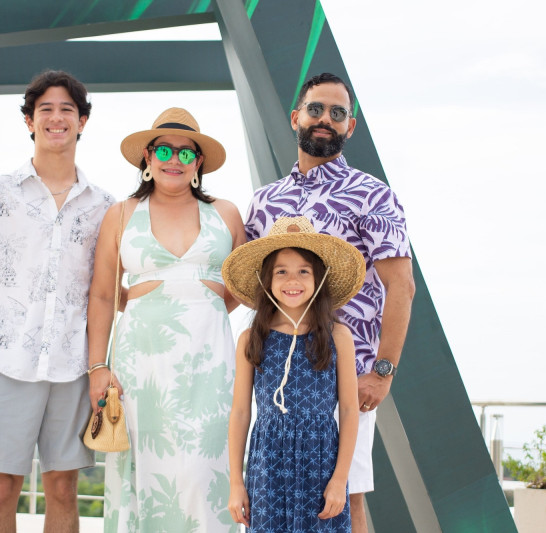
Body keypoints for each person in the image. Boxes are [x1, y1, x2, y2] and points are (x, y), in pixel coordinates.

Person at [244, 73, 416, 533]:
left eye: (337, 113)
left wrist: (382, 372)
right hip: (277, 379)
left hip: (348, 378)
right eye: (316, 109)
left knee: (345, 502)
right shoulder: (263, 203)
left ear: (350, 127)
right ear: (296, 116)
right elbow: (252, 290)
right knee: (274, 502)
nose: (325, 119)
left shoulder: (374, 195)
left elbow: (402, 287)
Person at [0, 70, 113, 533]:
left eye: (67, 110)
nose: (56, 118)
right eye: (46, 109)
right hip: (4, 365)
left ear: (82, 122)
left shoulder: (104, 205)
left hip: (71, 367)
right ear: (29, 121)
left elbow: (104, 292)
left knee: (63, 487)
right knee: (1, 490)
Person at [86, 107, 246, 532]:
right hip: (141, 363)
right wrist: (98, 366)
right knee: (146, 470)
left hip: (210, 362)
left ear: (199, 164)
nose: (174, 159)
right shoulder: (119, 214)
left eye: (186, 153)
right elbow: (103, 294)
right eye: (163, 149)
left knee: (205, 470)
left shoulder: (227, 214)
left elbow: (240, 289)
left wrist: (198, 309)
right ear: (147, 156)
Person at [224, 216, 364, 531]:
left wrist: (340, 479)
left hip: (322, 462)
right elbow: (240, 412)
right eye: (281, 272)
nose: (293, 280)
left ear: (319, 278)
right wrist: (236, 482)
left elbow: (350, 409)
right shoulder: (251, 337)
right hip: (267, 465)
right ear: (266, 281)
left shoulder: (337, 335)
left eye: (303, 271)